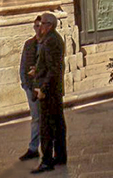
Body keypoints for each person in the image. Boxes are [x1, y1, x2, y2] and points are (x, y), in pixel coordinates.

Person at [30, 12, 67, 174]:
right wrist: (37, 69)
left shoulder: (51, 41)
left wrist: (43, 89)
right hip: (54, 89)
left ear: (49, 25)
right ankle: (60, 155)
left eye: (42, 24)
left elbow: (53, 69)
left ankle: (47, 160)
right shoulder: (53, 39)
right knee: (57, 124)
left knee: (47, 126)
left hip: (49, 92)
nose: (40, 27)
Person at [19, 16, 42, 161]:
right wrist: (25, 83)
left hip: (44, 87)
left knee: (43, 118)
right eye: (35, 26)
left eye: (40, 25)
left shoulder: (49, 44)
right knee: (36, 118)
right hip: (31, 87)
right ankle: (33, 148)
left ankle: (47, 147)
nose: (38, 28)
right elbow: (23, 65)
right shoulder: (29, 44)